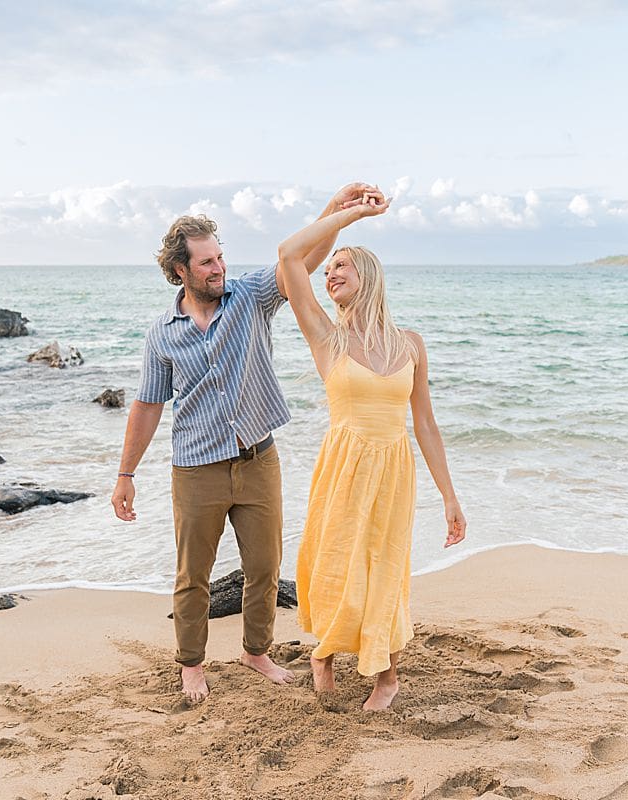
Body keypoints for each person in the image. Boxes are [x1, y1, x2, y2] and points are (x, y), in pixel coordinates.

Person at [111, 184, 380, 703]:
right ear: (179, 272)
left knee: (264, 568)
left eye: (220, 257)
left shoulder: (251, 296)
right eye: (207, 263)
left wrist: (338, 212)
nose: (218, 268)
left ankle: (257, 652)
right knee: (194, 576)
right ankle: (191, 664)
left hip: (259, 458)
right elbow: (147, 405)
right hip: (195, 468)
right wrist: (125, 475)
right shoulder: (162, 333)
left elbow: (299, 261)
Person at [276, 190, 467, 711]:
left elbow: (424, 423)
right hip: (344, 464)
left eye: (341, 266)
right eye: (329, 269)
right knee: (337, 561)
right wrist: (352, 214)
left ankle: (387, 676)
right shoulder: (324, 336)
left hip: (393, 468)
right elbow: (290, 254)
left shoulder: (410, 344)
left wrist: (450, 496)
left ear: (369, 276)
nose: (329, 274)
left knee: (385, 566)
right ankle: (326, 654)